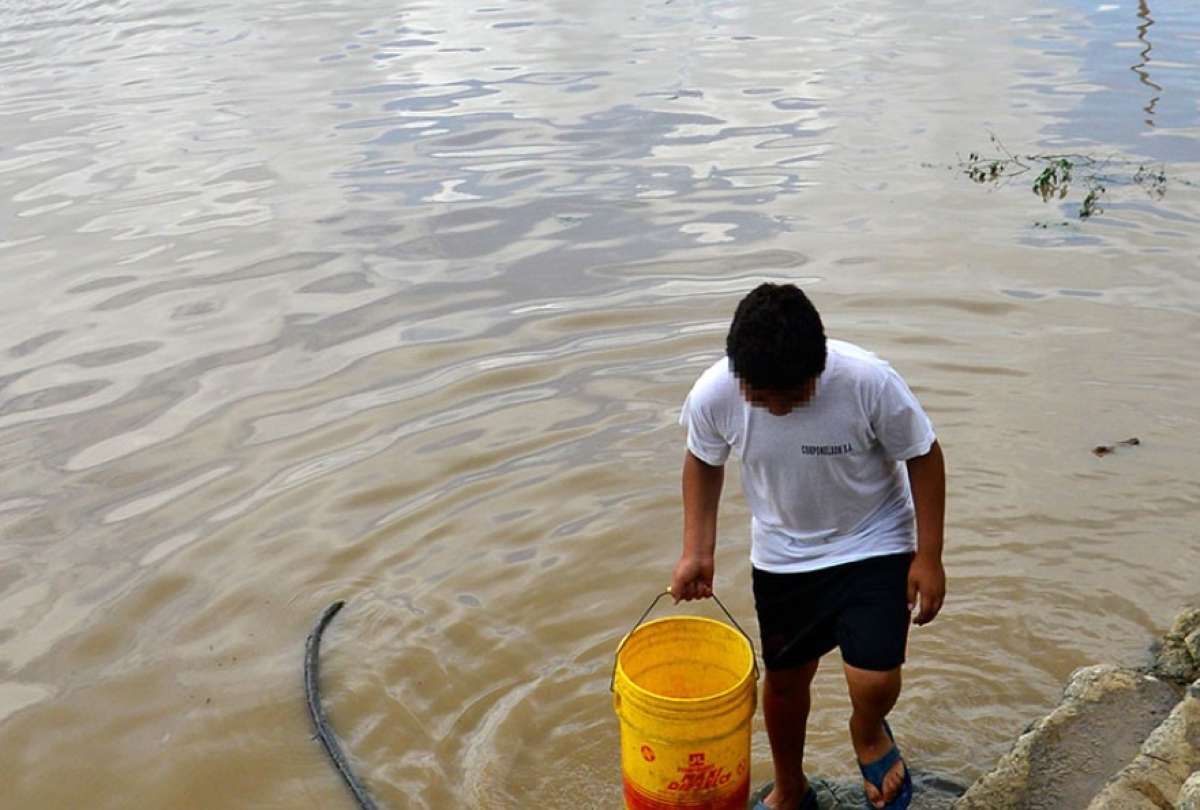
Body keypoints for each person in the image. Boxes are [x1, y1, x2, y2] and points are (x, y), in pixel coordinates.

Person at [670, 283, 946, 810]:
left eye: (790, 396)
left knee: (874, 677)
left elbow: (924, 455)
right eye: (760, 396)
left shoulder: (868, 382)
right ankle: (790, 787)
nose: (774, 410)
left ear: (818, 369)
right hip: (783, 555)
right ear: (738, 373)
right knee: (784, 682)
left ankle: (868, 730)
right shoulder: (714, 394)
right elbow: (703, 462)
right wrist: (696, 551)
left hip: (874, 538)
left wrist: (928, 557)